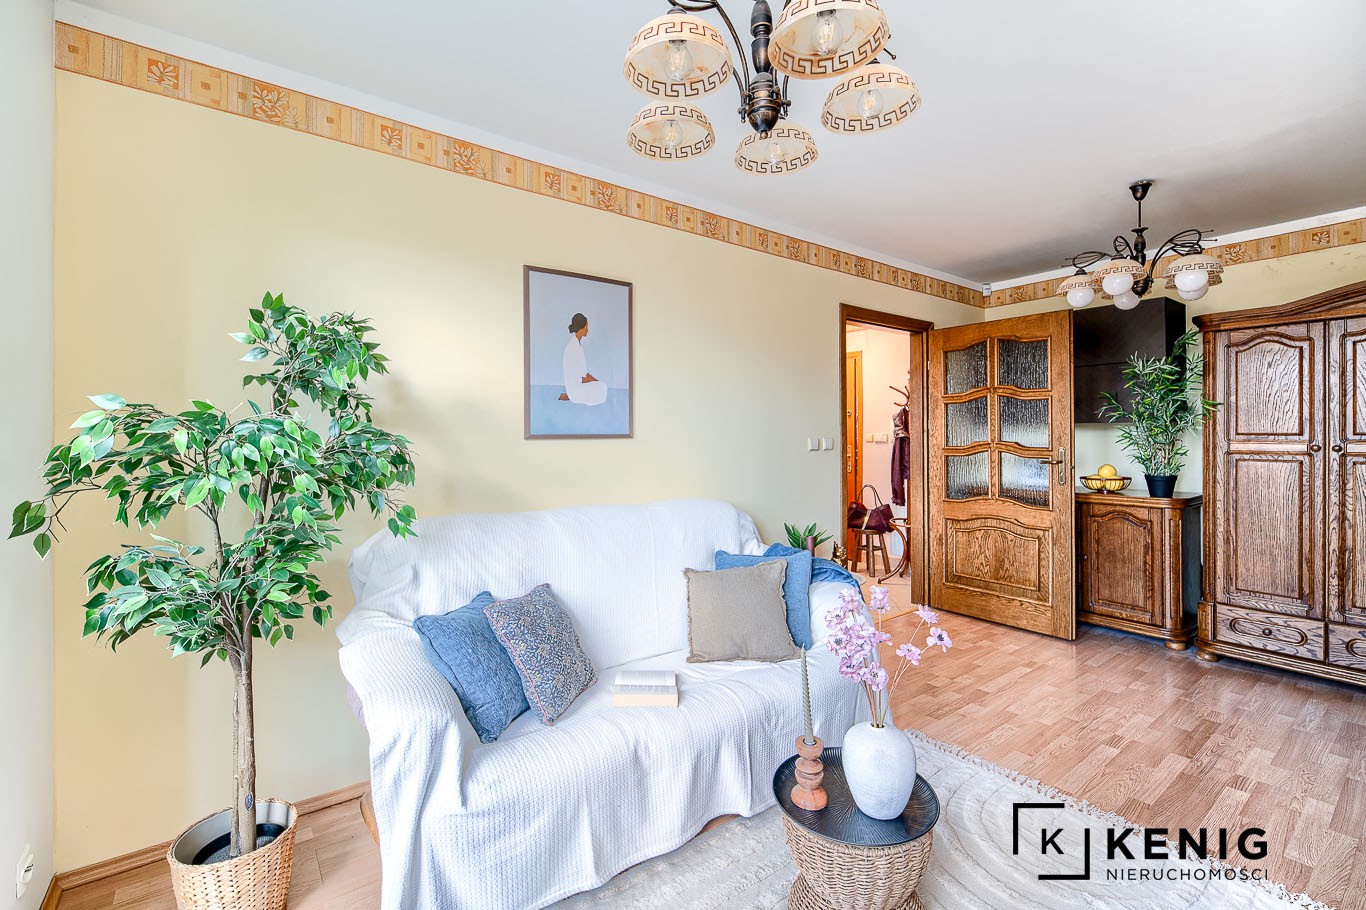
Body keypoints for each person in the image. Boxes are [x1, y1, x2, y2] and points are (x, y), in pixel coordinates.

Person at [559, 313, 607, 406]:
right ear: (582, 328)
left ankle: (570, 396)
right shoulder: (573, 347)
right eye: (586, 327)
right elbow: (579, 377)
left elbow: (584, 373)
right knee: (602, 388)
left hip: (577, 386)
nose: (587, 330)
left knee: (602, 386)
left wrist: (597, 381)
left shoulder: (577, 345)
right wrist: (595, 383)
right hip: (575, 389)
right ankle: (571, 396)